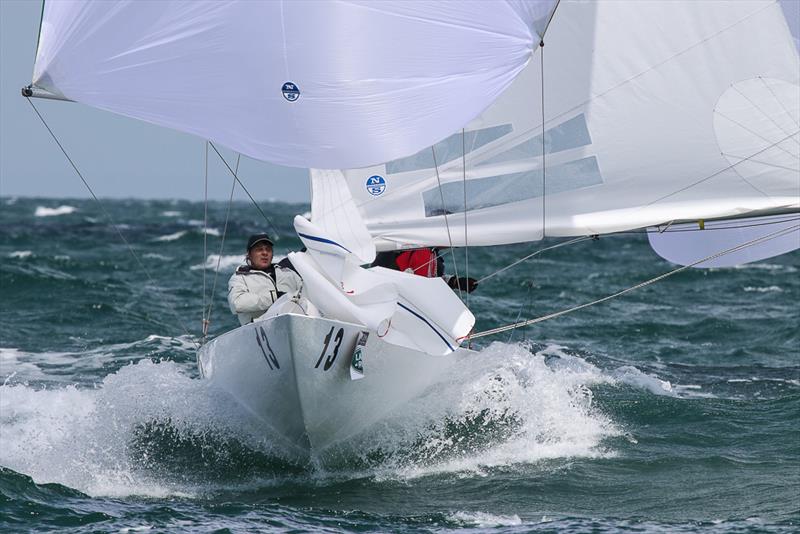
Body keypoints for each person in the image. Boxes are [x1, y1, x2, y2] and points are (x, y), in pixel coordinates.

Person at [228, 233, 303, 325]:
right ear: (249, 255)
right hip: (259, 327)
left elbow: (306, 294)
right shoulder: (240, 277)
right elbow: (236, 303)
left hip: (296, 322)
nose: (265, 253)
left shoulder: (288, 273)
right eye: (259, 250)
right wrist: (273, 297)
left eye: (268, 249)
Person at [372, 247, 478, 293]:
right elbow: (378, 271)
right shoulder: (406, 247)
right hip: (387, 300)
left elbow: (432, 279)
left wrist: (456, 282)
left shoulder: (435, 257)